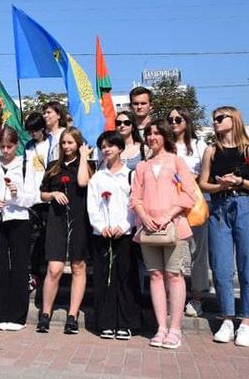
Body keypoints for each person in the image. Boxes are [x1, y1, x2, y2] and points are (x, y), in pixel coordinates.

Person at [199, 106, 249, 348]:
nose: (216, 122)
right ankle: (227, 319)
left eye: (221, 118)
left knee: (248, 265)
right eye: (214, 119)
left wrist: (240, 181)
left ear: (235, 120)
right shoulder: (211, 150)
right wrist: (220, 186)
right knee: (220, 267)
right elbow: (202, 183)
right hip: (219, 208)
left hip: (244, 206)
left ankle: (247, 322)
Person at [130, 120, 197, 350]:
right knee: (155, 276)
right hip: (149, 230)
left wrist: (167, 214)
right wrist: (145, 217)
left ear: (165, 136)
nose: (152, 137)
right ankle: (161, 327)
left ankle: (175, 328)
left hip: (175, 227)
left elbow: (189, 195)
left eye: (157, 133)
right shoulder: (142, 166)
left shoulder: (177, 162)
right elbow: (135, 198)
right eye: (148, 133)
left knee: (175, 276)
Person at [37, 127, 93, 334]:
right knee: (54, 268)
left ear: (78, 144)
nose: (66, 147)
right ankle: (45, 314)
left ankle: (72, 315)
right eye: (63, 143)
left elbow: (82, 182)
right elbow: (42, 194)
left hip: (78, 221)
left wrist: (85, 157)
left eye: (70, 142)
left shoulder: (86, 165)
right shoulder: (53, 167)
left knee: (78, 266)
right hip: (57, 221)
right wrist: (53, 194)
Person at [87, 131, 141, 340]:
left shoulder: (131, 175)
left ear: (120, 148)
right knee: (104, 279)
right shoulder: (98, 177)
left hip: (125, 235)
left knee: (126, 278)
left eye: (111, 145)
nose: (107, 149)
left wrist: (124, 226)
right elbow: (93, 206)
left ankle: (126, 323)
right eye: (103, 146)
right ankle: (106, 322)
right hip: (102, 235)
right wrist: (102, 227)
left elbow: (134, 205)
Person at [0, 126, 37, 331]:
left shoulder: (25, 163)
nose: (5, 151)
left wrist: (16, 195)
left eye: (9, 147)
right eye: (2, 147)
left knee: (19, 266)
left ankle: (17, 315)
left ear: (16, 145)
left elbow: (31, 197)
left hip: (19, 218)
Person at [169, 107, 210, 318]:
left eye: (178, 118)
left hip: (194, 205)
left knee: (197, 252)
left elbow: (207, 174)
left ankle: (197, 297)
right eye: (170, 119)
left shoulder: (199, 145)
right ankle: (174, 295)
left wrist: (191, 178)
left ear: (187, 121)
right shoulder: (165, 146)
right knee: (171, 250)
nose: (174, 122)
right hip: (170, 205)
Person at [23, 113, 49, 291]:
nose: (33, 134)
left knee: (47, 236)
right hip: (33, 197)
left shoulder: (51, 144)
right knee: (33, 237)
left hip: (47, 195)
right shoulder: (28, 146)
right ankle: (33, 273)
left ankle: (46, 270)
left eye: (35, 130)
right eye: (30, 131)